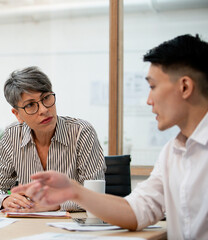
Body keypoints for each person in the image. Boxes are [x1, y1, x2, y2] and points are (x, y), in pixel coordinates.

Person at [13, 34, 208, 239]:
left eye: (153, 87)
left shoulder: (81, 130)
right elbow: (137, 211)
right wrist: (74, 191)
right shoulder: (172, 152)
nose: (149, 100)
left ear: (185, 87)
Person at [0, 66, 106, 212]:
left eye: (46, 98)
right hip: (30, 224)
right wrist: (5, 199)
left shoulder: (81, 132)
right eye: (30, 105)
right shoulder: (12, 136)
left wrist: (56, 204)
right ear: (17, 114)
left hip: (73, 226)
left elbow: (95, 196)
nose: (44, 110)